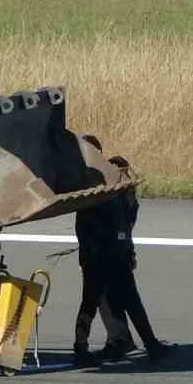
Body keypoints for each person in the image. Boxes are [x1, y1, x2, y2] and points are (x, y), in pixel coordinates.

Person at [95, 153, 175, 363]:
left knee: (114, 299)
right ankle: (135, 341)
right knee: (121, 300)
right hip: (118, 253)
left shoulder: (115, 196)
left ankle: (128, 342)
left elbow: (121, 229)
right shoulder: (125, 194)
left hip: (111, 255)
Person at [72, 136, 132, 365]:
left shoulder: (101, 178)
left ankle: (119, 339)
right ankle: (81, 346)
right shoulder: (89, 180)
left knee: (108, 299)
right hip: (96, 253)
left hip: (106, 251)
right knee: (93, 300)